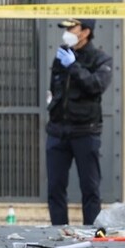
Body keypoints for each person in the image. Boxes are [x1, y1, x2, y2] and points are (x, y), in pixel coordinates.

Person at [45, 18, 113, 226]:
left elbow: (96, 85)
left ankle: (91, 233)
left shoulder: (100, 59)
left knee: (90, 188)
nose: (67, 32)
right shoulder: (62, 56)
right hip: (58, 131)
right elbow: (55, 88)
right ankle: (59, 230)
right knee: (55, 187)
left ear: (85, 32)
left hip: (85, 131)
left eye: (71, 28)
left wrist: (74, 66)